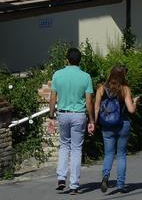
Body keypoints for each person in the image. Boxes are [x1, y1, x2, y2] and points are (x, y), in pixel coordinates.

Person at [48, 47, 95, 195]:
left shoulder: (57, 75)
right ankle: (74, 184)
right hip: (79, 115)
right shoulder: (86, 77)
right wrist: (92, 120)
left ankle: (61, 178)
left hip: (63, 114)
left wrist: (51, 116)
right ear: (79, 60)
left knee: (64, 146)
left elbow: (53, 98)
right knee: (76, 149)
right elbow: (89, 102)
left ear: (67, 59)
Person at [94, 65, 139, 194]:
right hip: (123, 124)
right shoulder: (125, 89)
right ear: (123, 76)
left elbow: (96, 108)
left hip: (107, 126)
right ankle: (120, 184)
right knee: (121, 155)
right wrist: (135, 102)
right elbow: (131, 110)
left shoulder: (101, 88)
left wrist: (94, 123)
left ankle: (106, 176)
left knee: (108, 154)